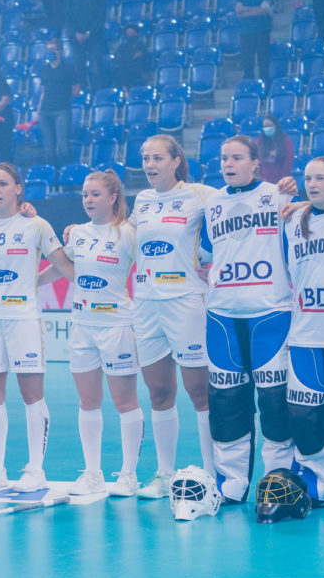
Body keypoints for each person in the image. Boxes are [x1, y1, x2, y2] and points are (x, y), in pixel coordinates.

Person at [0, 163, 74, 491]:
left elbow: (63, 266)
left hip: (24, 318)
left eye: (3, 184)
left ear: (18, 188)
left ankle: (36, 470)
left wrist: (94, 281)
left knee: (31, 395)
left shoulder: (36, 225)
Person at [201, 136, 293, 503]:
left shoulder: (279, 195)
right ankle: (231, 483)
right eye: (224, 158)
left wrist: (296, 192)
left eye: (237, 157)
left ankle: (277, 481)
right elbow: (203, 253)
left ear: (256, 163)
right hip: (222, 314)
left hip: (271, 312)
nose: (228, 163)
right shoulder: (212, 204)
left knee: (274, 401)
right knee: (226, 402)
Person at [129, 136, 216, 498]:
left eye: (157, 158)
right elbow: (120, 235)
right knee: (159, 391)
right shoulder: (141, 200)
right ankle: (165, 474)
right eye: (145, 158)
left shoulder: (199, 194)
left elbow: (240, 207)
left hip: (185, 302)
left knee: (200, 392)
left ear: (176, 160)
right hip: (146, 304)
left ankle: (213, 474)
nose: (150, 165)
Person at [49, 171, 142, 496]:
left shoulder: (128, 233)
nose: (88, 200)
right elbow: (62, 268)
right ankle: (92, 474)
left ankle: (128, 475)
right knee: (88, 402)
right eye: (85, 194)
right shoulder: (77, 234)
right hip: (82, 326)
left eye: (95, 194)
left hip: (117, 326)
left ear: (113, 197)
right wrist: (25, 282)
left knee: (125, 402)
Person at [285, 157, 324, 503]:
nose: (312, 184)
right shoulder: (292, 224)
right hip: (306, 333)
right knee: (306, 414)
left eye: (321, 178)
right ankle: (317, 481)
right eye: (308, 178)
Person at [38, 38, 80, 167]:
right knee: (49, 150)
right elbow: (43, 92)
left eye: (53, 49)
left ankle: (68, 172)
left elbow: (76, 90)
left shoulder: (68, 68)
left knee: (63, 147)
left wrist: (62, 96)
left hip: (61, 110)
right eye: (48, 49)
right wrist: (38, 111)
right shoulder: (44, 69)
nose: (50, 52)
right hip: (45, 111)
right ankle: (54, 176)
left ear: (60, 51)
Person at [66, 0, 108, 91]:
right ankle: (83, 93)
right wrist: (76, 33)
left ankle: (98, 93)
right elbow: (68, 18)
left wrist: (89, 33)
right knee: (79, 68)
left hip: (94, 37)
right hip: (76, 39)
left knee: (96, 68)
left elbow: (101, 17)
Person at [237, 0, 274, 83]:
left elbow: (264, 10)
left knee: (264, 64)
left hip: (263, 31)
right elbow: (238, 12)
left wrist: (246, 9)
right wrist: (256, 9)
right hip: (246, 32)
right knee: (248, 64)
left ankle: (265, 89)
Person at [256, 115, 295, 185]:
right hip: (263, 181)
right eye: (265, 126)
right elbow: (257, 163)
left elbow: (287, 165)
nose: (267, 128)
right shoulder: (260, 141)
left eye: (269, 125)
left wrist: (281, 182)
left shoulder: (286, 141)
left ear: (276, 126)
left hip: (281, 180)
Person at [112, 23, 151, 89]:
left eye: (132, 33)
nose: (130, 36)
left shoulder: (142, 47)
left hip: (138, 70)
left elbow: (144, 60)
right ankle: (124, 89)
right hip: (124, 69)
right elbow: (117, 59)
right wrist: (132, 57)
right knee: (119, 70)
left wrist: (127, 58)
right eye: (128, 34)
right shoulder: (122, 47)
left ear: (137, 33)